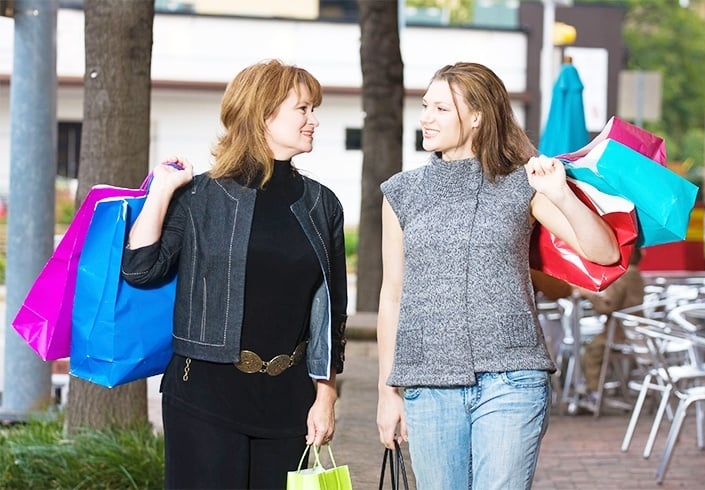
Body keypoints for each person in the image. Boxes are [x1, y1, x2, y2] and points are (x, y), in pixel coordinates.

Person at [375, 61, 620, 490]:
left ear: (477, 116)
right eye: (425, 106)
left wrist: (560, 192)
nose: (426, 118)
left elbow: (604, 251)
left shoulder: (521, 184)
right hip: (428, 384)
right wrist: (386, 392)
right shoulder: (402, 192)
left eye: (440, 109)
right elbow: (392, 295)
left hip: (512, 379)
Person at [121, 59, 348, 490]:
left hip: (290, 403)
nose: (314, 120)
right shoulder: (202, 195)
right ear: (263, 114)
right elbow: (141, 268)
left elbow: (333, 312)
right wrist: (162, 191)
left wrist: (326, 394)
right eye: (303, 109)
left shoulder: (323, 205)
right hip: (204, 397)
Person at [579, 248, 645, 397]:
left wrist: (589, 295)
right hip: (635, 330)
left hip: (618, 333)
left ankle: (594, 392)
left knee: (592, 350)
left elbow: (607, 307)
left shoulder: (623, 276)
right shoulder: (636, 273)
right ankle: (603, 389)